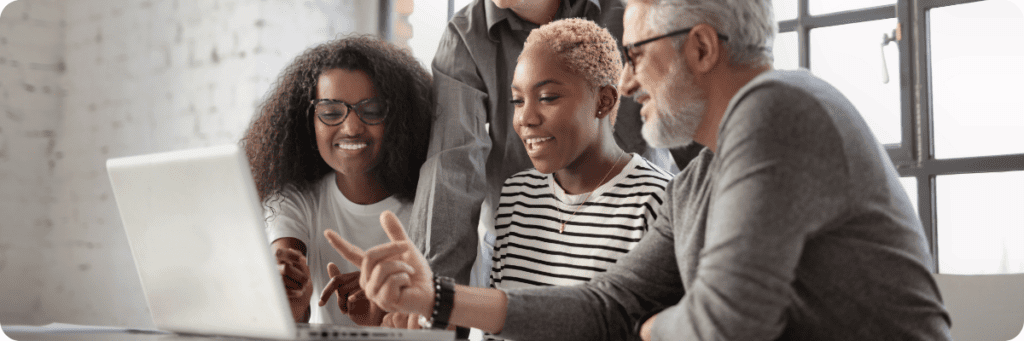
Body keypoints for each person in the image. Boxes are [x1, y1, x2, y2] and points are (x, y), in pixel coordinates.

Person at [320, 0, 954, 340]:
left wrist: (651, 329)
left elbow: (722, 328)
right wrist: (439, 298)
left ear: (701, 47)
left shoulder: (779, 107)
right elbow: (606, 307)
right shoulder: (702, 179)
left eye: (635, 54)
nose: (624, 81)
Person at [410, 0, 702, 291]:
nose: (526, 116)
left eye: (548, 97)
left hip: (632, 232)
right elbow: (452, 166)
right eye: (517, 101)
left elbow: (700, 137)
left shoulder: (633, 12)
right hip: (523, 240)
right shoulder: (466, 35)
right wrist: (433, 299)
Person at [240, 36, 433, 326]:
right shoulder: (297, 201)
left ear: (398, 119)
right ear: (309, 123)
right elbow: (287, 313)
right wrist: (289, 295)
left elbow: (448, 327)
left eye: (371, 111)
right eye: (331, 113)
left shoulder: (429, 204)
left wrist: (383, 313)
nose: (352, 127)